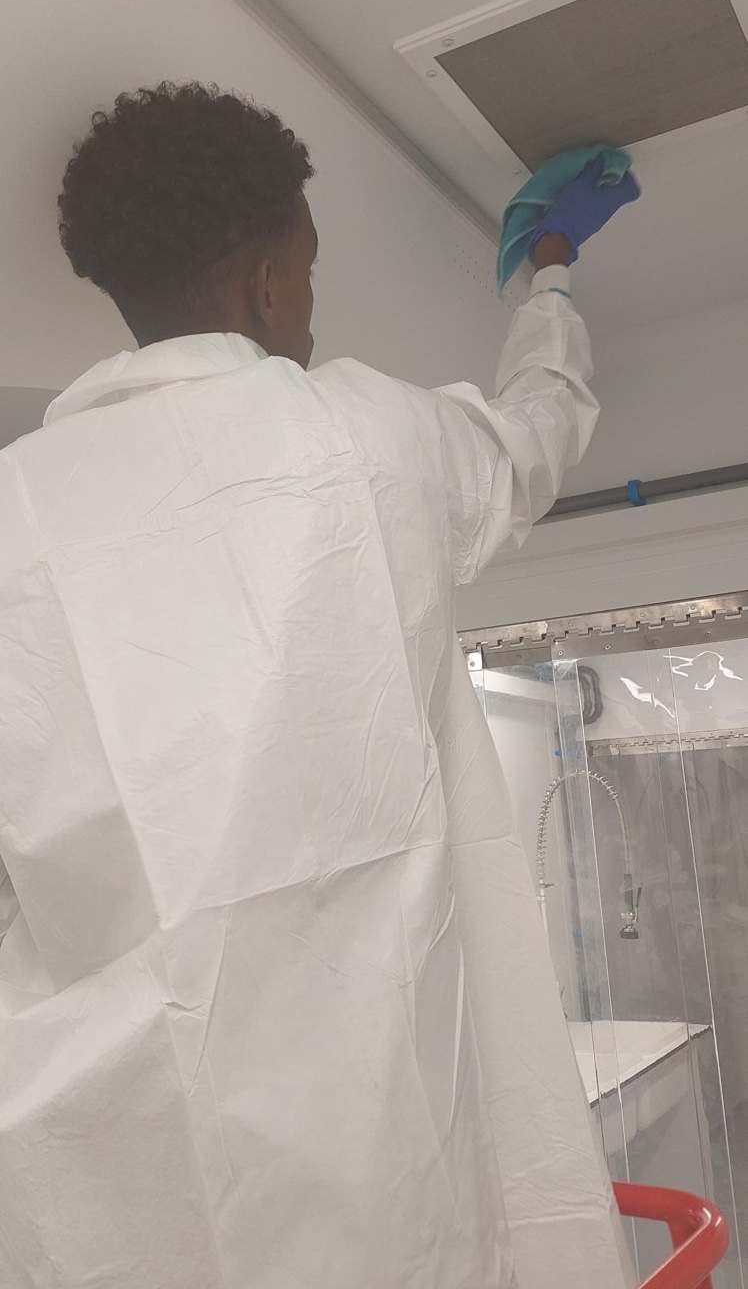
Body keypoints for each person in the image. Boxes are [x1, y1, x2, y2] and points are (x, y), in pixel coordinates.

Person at [0, 84, 638, 1289]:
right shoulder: (360, 438)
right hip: (380, 1188)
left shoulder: (13, 510)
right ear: (265, 286)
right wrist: (547, 274)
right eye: (308, 268)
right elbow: (534, 435)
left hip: (94, 1195)